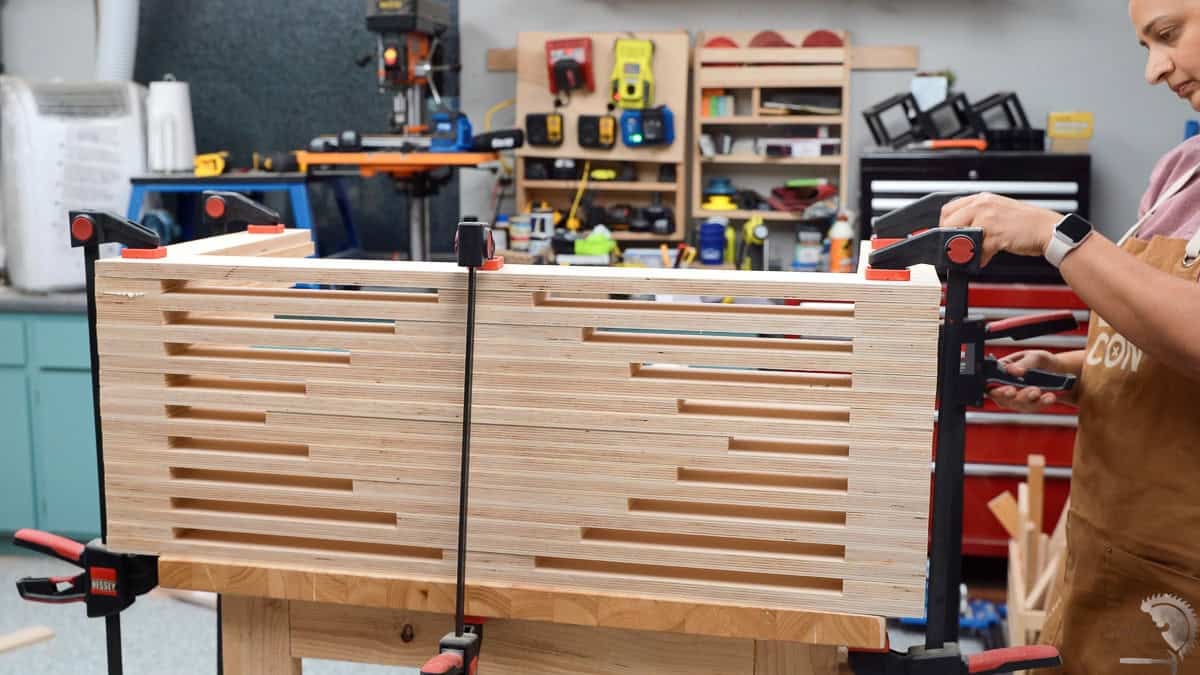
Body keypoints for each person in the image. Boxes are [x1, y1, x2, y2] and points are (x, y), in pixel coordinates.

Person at [938, 1, 1200, 670]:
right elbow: (1155, 338)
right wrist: (1073, 367)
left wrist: (1058, 237)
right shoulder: (1180, 171)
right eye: (1145, 44)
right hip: (1105, 548)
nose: (1154, 69)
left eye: (1169, 35)